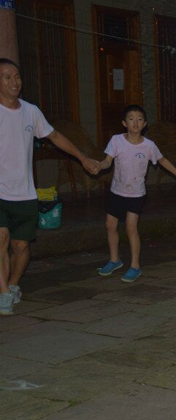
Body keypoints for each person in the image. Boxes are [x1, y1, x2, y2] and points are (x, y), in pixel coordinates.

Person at [0, 58, 100, 315]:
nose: (14, 82)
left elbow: (55, 136)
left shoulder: (31, 111)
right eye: (7, 77)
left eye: (17, 76)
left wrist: (83, 158)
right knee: (1, 239)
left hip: (24, 192)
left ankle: (12, 285)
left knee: (20, 247)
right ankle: (2, 294)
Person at [97, 104, 176, 282]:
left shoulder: (149, 146)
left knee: (131, 227)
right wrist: (99, 165)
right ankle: (114, 260)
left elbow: (163, 160)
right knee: (110, 226)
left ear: (144, 123)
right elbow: (107, 161)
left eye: (139, 119)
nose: (135, 122)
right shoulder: (116, 140)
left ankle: (135, 266)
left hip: (136, 194)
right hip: (116, 192)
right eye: (131, 119)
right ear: (124, 123)